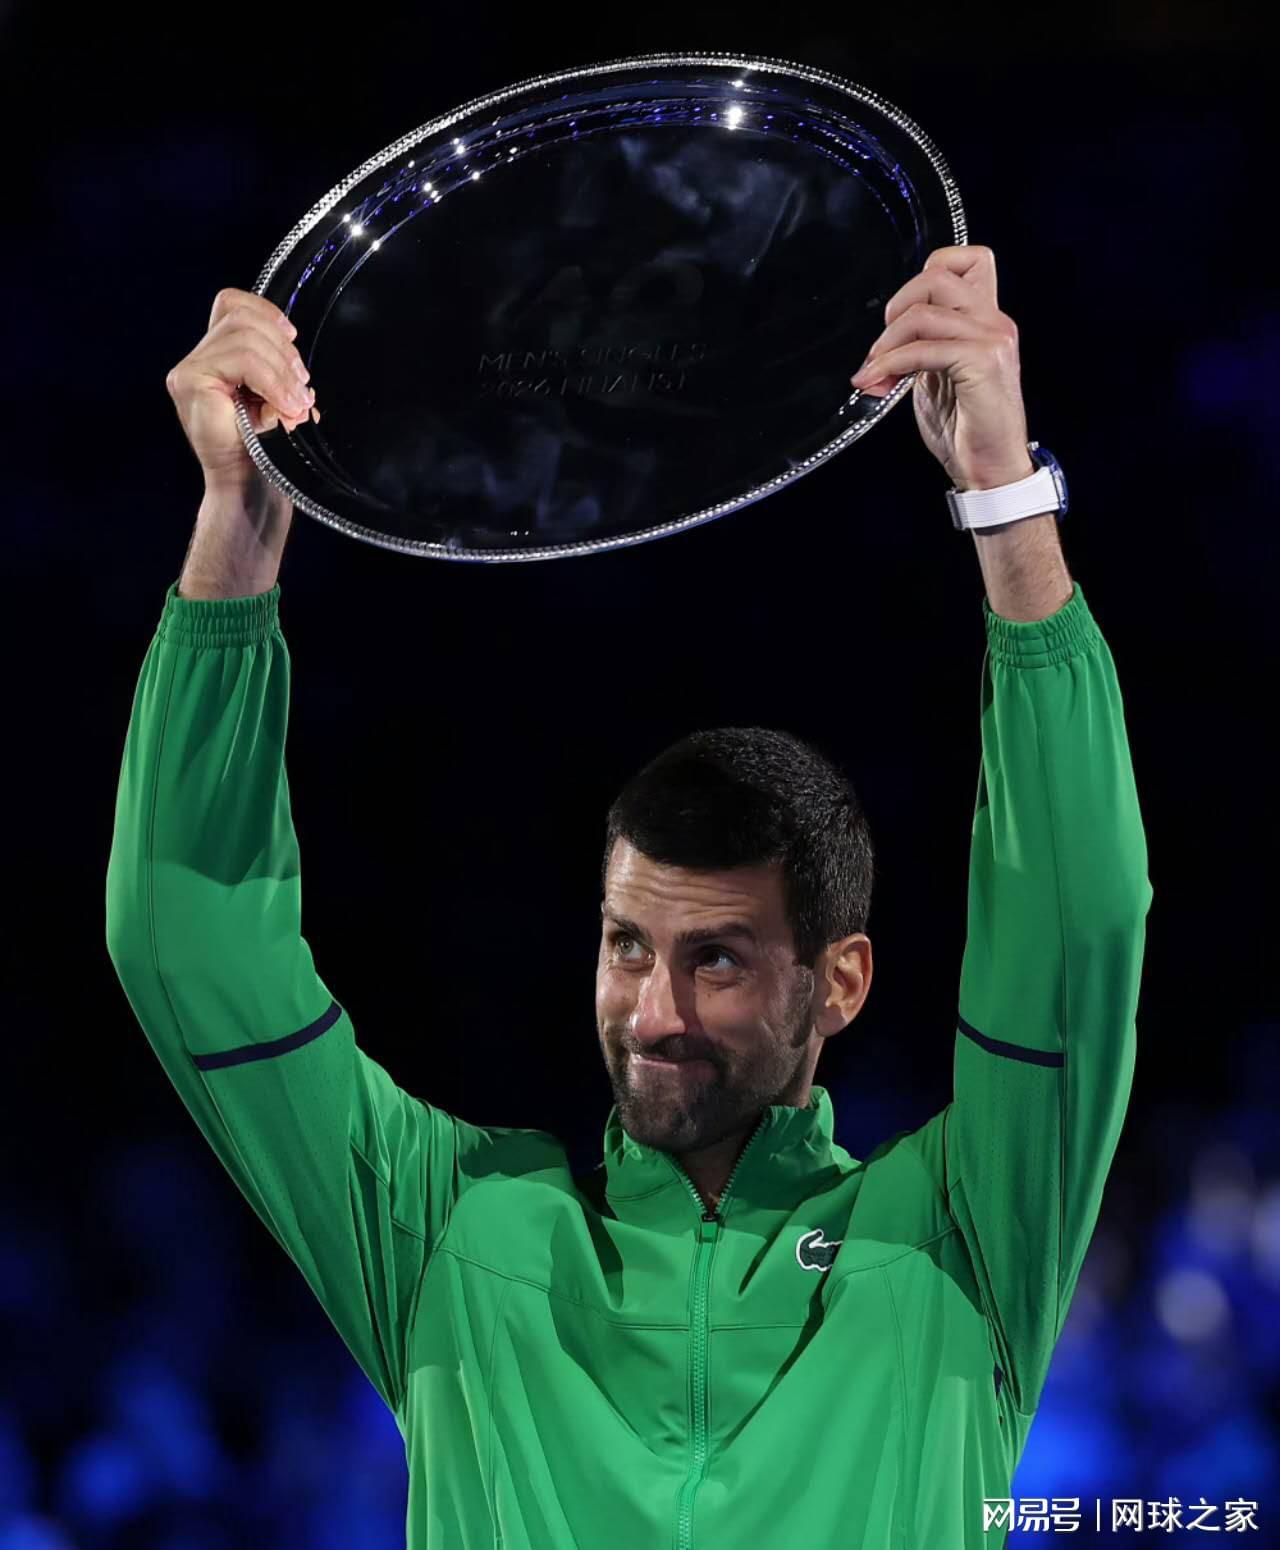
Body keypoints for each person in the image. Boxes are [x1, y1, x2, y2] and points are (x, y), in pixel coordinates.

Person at [106, 246, 1153, 1549]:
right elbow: (187, 937)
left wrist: (1005, 501)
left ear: (839, 981)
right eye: (626, 947)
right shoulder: (455, 1232)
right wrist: (241, 520)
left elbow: (1077, 929)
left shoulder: (962, 1237)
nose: (654, 1012)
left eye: (717, 959)